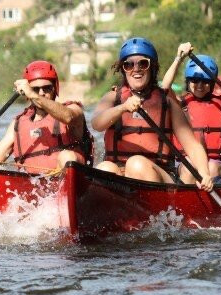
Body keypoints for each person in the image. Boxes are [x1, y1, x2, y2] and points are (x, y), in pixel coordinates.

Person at [91, 37, 213, 191]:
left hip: (160, 177)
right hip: (121, 175)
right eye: (129, 65)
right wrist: (122, 108)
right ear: (123, 69)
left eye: (143, 63)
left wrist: (205, 174)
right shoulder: (112, 98)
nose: (136, 69)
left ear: (152, 68)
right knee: (104, 168)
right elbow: (97, 124)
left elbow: (193, 147)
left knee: (136, 164)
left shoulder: (167, 103)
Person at [0, 60, 93, 174]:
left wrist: (33, 95)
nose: (41, 93)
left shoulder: (73, 109)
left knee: (67, 156)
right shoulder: (19, 122)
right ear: (26, 92)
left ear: (55, 88)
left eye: (46, 88)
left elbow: (68, 117)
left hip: (69, 183)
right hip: (33, 189)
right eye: (35, 89)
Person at [161, 43, 221, 183]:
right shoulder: (180, 103)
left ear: (211, 83)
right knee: (190, 167)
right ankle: (185, 201)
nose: (199, 85)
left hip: (216, 163)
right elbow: (165, 87)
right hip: (186, 161)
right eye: (195, 80)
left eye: (205, 81)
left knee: (212, 168)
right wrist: (179, 58)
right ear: (188, 81)